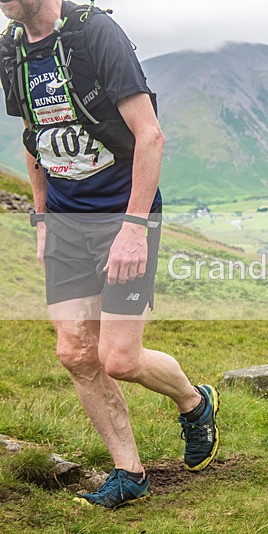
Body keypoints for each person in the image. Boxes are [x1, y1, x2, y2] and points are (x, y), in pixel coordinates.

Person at [0, 0, 219, 508]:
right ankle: (130, 473)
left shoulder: (97, 33)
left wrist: (133, 229)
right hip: (65, 220)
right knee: (75, 352)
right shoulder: (11, 50)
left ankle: (194, 401)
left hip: (124, 216)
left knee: (118, 359)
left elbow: (150, 135)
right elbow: (34, 139)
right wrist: (41, 219)